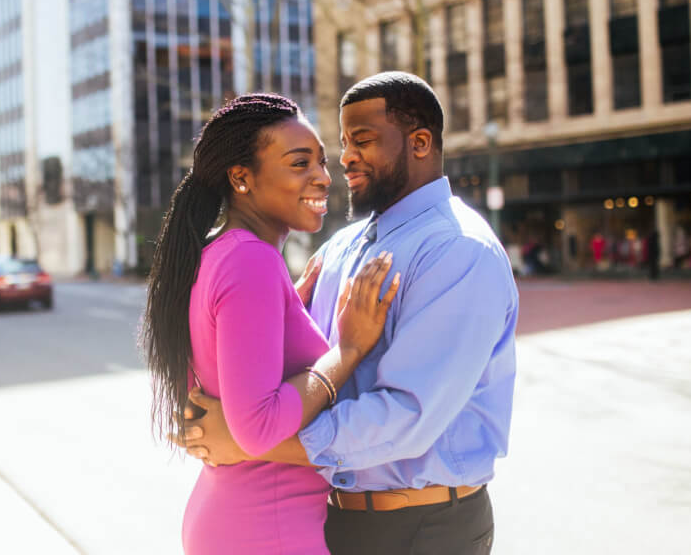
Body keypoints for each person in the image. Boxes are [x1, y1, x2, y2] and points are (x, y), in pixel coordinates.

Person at [179, 73, 518, 555]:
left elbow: (409, 417)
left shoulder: (457, 251)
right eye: (343, 143)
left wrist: (253, 443)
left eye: (363, 141)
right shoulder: (340, 248)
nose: (345, 159)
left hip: (423, 527)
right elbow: (300, 373)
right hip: (335, 521)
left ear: (420, 143)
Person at [141, 93, 401, 555]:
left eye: (322, 161)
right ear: (241, 178)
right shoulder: (250, 261)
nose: (322, 177)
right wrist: (347, 350)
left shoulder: (216, 254)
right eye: (299, 163)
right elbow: (257, 428)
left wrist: (286, 309)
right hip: (267, 531)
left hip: (233, 518)